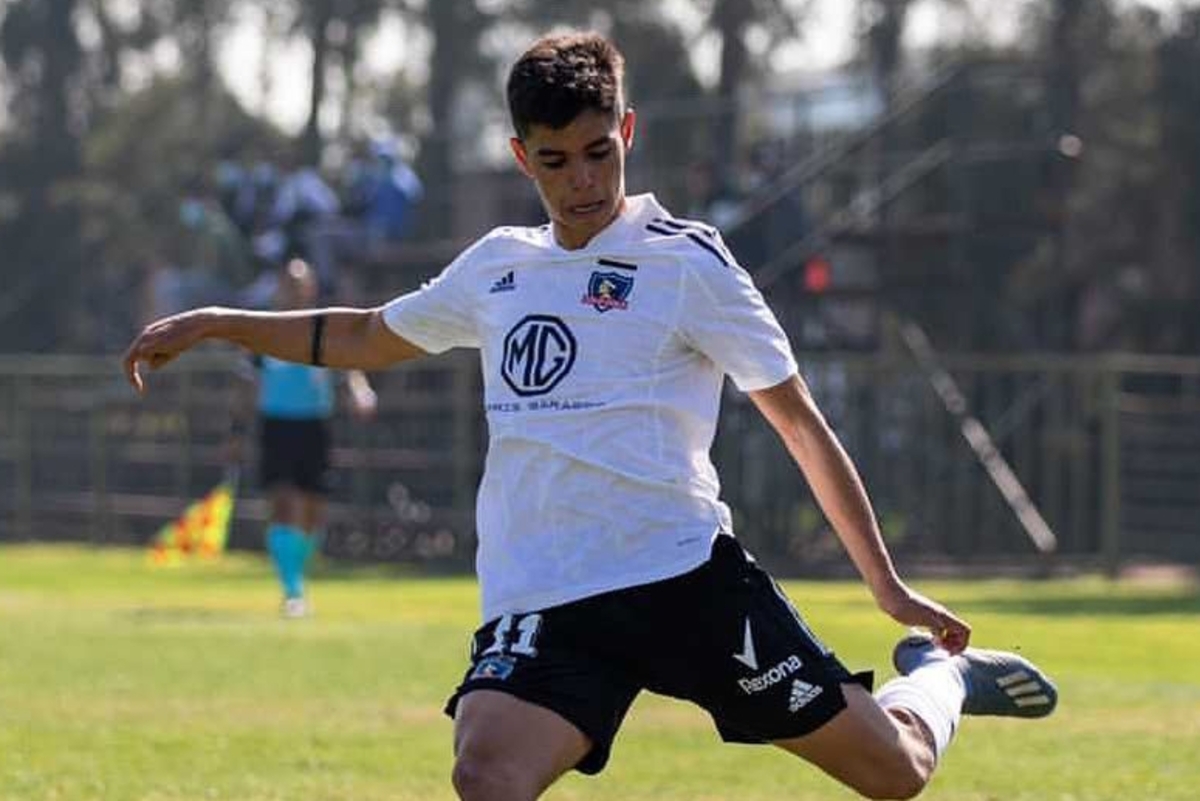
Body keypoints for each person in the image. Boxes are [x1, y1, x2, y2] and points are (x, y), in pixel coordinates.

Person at [124, 31, 1057, 799]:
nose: (582, 181)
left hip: (686, 582)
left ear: (628, 132)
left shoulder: (689, 263)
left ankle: (939, 681)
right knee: (486, 771)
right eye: (557, 161)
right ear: (521, 155)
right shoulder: (497, 265)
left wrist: (888, 588)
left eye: (599, 152)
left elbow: (800, 423)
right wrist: (217, 323)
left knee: (895, 774)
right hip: (549, 597)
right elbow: (369, 334)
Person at [228, 258, 377, 618]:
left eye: (301, 284)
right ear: (280, 288)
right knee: (283, 504)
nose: (295, 290)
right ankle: (293, 590)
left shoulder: (322, 329)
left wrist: (360, 390)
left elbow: (347, 369)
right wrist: (235, 431)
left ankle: (297, 575)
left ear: (310, 288)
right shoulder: (263, 332)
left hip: (315, 427)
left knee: (313, 511)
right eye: (289, 284)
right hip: (277, 427)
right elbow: (245, 387)